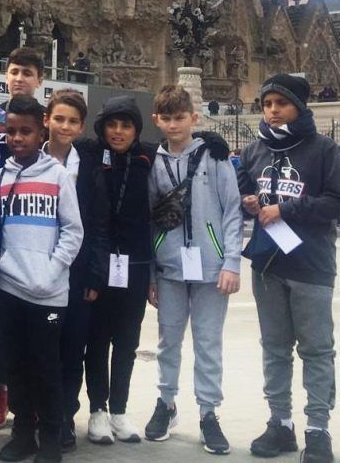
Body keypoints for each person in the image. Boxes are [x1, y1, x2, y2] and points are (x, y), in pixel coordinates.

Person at [236, 74, 340, 463]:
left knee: (316, 349)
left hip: (310, 264)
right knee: (275, 348)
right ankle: (280, 423)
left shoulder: (324, 149)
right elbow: (243, 183)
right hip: (268, 264)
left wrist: (287, 208)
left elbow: (335, 202)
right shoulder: (255, 150)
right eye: (267, 104)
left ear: (299, 105)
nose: (273, 111)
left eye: (281, 103)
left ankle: (317, 429)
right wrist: (249, 200)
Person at [0, 95, 83, 463]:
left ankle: (52, 437)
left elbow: (74, 231)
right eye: (11, 131)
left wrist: (51, 270)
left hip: (48, 292)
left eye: (25, 131)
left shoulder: (59, 175)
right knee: (16, 365)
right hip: (9, 289)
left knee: (46, 367)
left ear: (41, 129)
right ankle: (23, 432)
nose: (18, 138)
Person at [144, 85, 241, 454]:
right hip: (169, 266)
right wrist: (152, 273)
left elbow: (232, 209)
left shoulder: (214, 156)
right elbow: (151, 218)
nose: (173, 124)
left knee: (208, 343)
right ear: (157, 120)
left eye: (179, 117)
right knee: (168, 341)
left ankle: (208, 412)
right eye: (166, 118)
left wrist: (231, 261)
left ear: (193, 118)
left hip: (212, 266)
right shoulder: (153, 161)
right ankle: (166, 403)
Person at [0, 47, 46, 430]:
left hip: (35, 230)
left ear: (40, 79)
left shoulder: (46, 122)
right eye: (14, 71)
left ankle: (30, 397)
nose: (20, 77)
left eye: (28, 72)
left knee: (34, 326)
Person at [83, 96, 156, 446]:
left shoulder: (149, 158)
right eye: (112, 124)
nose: (118, 131)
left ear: (136, 130)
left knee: (126, 342)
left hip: (135, 264)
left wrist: (212, 142)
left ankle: (119, 410)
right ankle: (97, 410)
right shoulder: (88, 154)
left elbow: (185, 149)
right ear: (101, 127)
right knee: (96, 341)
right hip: (98, 264)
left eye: (126, 125)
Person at [42, 90, 110, 451]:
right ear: (46, 120)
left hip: (79, 274)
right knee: (41, 350)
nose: (64, 126)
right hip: (36, 272)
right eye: (59, 118)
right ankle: (40, 416)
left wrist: (96, 275)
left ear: (81, 127)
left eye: (72, 121)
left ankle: (65, 418)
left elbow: (99, 224)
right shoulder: (28, 159)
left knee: (72, 349)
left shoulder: (89, 166)